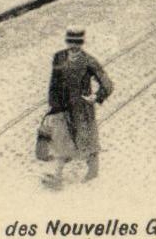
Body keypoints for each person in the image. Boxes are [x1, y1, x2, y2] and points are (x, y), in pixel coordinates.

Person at [43, 26, 113, 188]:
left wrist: (96, 97)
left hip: (81, 109)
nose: (73, 48)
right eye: (71, 44)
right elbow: (53, 83)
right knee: (61, 140)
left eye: (77, 44)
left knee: (86, 140)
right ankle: (57, 177)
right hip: (62, 107)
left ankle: (93, 170)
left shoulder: (89, 61)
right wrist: (53, 106)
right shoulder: (59, 57)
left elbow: (107, 85)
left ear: (81, 44)